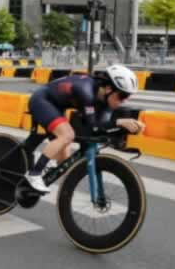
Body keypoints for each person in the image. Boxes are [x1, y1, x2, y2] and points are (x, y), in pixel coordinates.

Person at [25, 65, 146, 193]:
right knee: (67, 135)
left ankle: (43, 178)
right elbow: (93, 127)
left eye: (128, 97)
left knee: (64, 161)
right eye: (122, 96)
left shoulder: (107, 99)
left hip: (57, 105)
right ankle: (34, 173)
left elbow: (101, 127)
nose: (124, 101)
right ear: (108, 88)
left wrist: (126, 128)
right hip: (41, 100)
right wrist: (119, 122)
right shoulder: (85, 91)